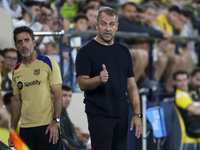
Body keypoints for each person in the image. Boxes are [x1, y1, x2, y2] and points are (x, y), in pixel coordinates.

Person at [75, 7, 142, 150]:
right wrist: (98, 79)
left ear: (117, 27)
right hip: (99, 115)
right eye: (103, 24)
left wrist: (137, 114)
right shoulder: (85, 51)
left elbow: (131, 85)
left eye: (111, 24)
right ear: (96, 25)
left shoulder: (124, 51)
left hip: (122, 115)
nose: (107, 28)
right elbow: (82, 83)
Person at [8, 26, 62, 150]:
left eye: (27, 40)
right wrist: (12, 130)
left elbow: (58, 95)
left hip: (47, 127)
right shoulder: (16, 70)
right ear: (16, 46)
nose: (24, 45)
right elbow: (17, 102)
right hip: (25, 129)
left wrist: (55, 122)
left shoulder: (48, 62)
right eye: (19, 42)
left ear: (34, 42)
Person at [60, 84, 91, 150]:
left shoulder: (64, 111)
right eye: (65, 95)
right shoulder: (57, 113)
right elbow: (64, 138)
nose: (68, 99)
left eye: (70, 96)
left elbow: (73, 132)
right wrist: (84, 146)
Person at [173, 70, 200, 139]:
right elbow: (196, 111)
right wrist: (196, 109)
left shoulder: (193, 92)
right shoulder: (180, 95)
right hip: (193, 129)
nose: (182, 83)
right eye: (179, 81)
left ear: (188, 80)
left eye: (184, 80)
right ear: (174, 82)